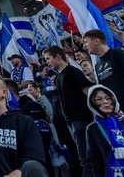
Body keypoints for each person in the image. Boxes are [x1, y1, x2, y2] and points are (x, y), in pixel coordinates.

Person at [44, 44, 93, 172]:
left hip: (82, 118)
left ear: (58, 57)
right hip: (70, 121)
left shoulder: (73, 72)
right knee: (81, 153)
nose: (47, 62)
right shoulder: (58, 77)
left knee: (86, 154)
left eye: (48, 58)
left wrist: (95, 115)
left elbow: (88, 92)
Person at [84, 85, 124, 177]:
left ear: (114, 100)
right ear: (92, 104)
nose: (105, 102)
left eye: (108, 98)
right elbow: (93, 161)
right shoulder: (93, 129)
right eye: (98, 99)